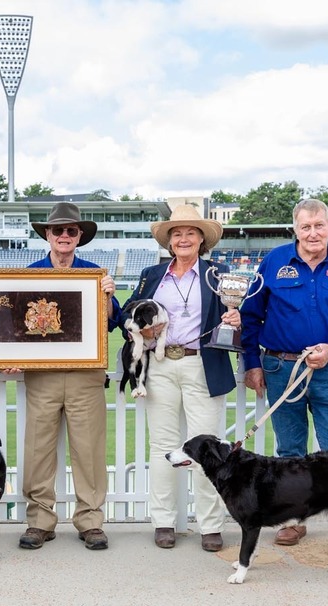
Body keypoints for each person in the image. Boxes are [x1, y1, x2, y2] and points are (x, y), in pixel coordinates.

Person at [239, 198, 328, 557]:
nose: (313, 233)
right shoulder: (274, 262)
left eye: (319, 225)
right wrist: (252, 364)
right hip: (280, 368)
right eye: (306, 227)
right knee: (289, 450)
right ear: (295, 229)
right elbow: (250, 317)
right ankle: (292, 521)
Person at [122, 204, 238, 552]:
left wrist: (238, 319)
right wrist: (141, 326)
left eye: (190, 233)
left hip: (202, 363)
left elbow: (240, 311)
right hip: (159, 365)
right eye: (177, 233)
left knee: (208, 447)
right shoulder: (152, 274)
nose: (183, 238)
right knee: (162, 447)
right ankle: (163, 521)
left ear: (202, 239)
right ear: (169, 241)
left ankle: (211, 525)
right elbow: (127, 312)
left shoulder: (218, 273)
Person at [16, 202, 120, 551]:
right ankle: (40, 520)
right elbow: (15, 327)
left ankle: (90, 520)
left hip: (84, 373)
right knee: (38, 448)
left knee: (89, 449)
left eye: (71, 231)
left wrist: (107, 295)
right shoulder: (29, 274)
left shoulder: (95, 274)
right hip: (42, 373)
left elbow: (110, 323)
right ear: (47, 234)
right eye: (58, 230)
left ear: (79, 237)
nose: (64, 236)